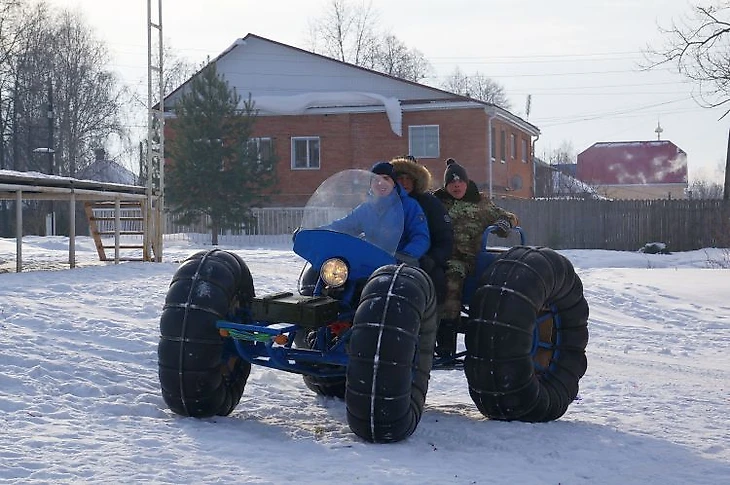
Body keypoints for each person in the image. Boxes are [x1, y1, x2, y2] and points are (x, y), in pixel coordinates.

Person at [299, 162, 430, 295]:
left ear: (394, 183)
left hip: (397, 265)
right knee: (331, 277)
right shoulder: (366, 208)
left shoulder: (409, 206)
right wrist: (315, 232)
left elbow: (420, 236)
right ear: (371, 185)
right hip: (368, 261)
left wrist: (407, 255)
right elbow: (343, 225)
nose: (380, 183)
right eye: (376, 179)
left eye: (386, 178)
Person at [433, 158, 519, 357]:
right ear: (446, 185)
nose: (456, 185)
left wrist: (505, 223)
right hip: (438, 256)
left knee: (451, 281)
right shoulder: (437, 203)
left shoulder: (480, 203)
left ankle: (446, 345)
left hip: (467, 259)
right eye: (451, 182)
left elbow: (509, 216)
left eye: (460, 181)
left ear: (466, 182)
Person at [390, 155, 453, 306]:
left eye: (408, 178)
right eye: (400, 178)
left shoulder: (430, 203)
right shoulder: (384, 202)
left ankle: (437, 324)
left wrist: (432, 259)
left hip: (424, 258)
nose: (404, 182)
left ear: (416, 180)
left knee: (435, 282)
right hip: (388, 258)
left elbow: (445, 238)